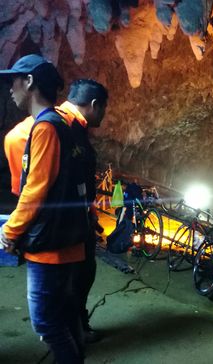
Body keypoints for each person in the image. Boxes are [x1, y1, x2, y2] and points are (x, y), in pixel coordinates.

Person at [0, 54, 88, 363]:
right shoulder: (61, 123)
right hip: (65, 242)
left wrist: (9, 232)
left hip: (49, 249)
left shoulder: (46, 128)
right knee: (63, 320)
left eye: (14, 80)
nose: (10, 87)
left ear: (30, 82)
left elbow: (35, 191)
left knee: (48, 325)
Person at [60, 79, 108, 343]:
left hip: (79, 221)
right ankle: (70, 333)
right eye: (103, 109)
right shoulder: (60, 125)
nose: (104, 115)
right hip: (67, 227)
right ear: (94, 105)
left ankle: (77, 326)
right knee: (74, 280)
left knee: (82, 275)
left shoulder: (76, 127)